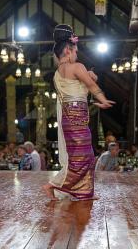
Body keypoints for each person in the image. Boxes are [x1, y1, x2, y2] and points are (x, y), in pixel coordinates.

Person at [42, 24, 115, 201]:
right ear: (67, 50)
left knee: (83, 156)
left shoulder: (58, 72)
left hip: (70, 116)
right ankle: (53, 185)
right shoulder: (76, 67)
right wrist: (103, 99)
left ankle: (83, 191)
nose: (77, 54)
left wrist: (89, 75)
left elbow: (80, 86)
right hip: (76, 116)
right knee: (85, 156)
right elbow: (91, 86)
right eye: (75, 51)